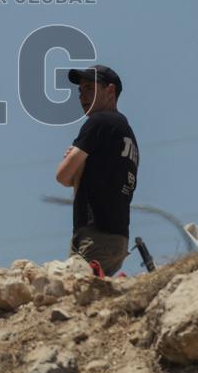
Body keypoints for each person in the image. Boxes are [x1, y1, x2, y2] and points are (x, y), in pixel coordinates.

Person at [55, 65, 139, 276]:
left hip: (95, 235)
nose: (82, 96)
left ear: (110, 91)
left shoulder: (99, 122)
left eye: (89, 88)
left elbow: (62, 176)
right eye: (80, 90)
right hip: (117, 237)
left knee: (75, 291)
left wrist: (74, 161)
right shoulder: (126, 132)